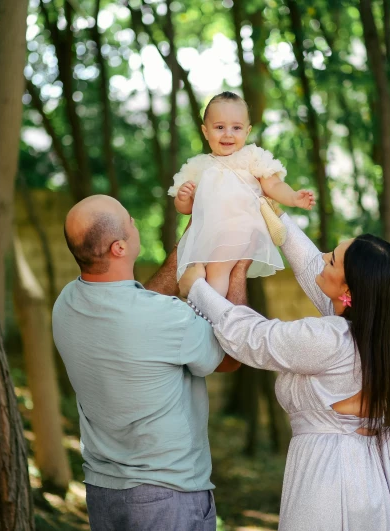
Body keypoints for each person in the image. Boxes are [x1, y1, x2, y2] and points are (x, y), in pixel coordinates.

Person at [179, 209, 390, 530]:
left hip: (332, 478)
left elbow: (257, 339)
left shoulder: (331, 338)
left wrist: (197, 289)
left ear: (349, 291)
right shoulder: (376, 333)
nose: (324, 257)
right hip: (367, 474)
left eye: (332, 260)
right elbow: (313, 266)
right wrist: (281, 222)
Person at [52, 195, 245, 531]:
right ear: (119, 248)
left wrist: (192, 238)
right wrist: (240, 270)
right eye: (130, 221)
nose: (135, 224)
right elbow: (230, 357)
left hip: (104, 491)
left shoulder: (66, 304)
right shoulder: (166, 319)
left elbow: (141, 304)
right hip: (167, 496)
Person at [169, 91, 315, 296]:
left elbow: (273, 185)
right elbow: (186, 209)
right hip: (208, 235)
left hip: (240, 228)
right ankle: (205, 307)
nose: (228, 134)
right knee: (199, 272)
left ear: (247, 132)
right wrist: (183, 198)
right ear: (205, 131)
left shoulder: (251, 157)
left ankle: (212, 315)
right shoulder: (198, 166)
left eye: (236, 128)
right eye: (219, 127)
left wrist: (293, 197)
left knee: (217, 270)